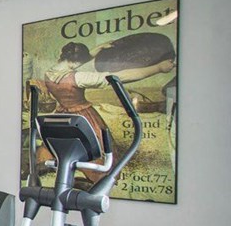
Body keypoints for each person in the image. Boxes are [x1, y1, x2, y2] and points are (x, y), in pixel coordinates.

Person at [38, 41, 175, 182]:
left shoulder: (49, 72)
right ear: (75, 62)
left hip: (62, 116)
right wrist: (158, 68)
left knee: (61, 146)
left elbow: (77, 60)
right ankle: (96, 175)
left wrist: (98, 48)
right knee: (97, 148)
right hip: (83, 117)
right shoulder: (78, 77)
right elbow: (121, 76)